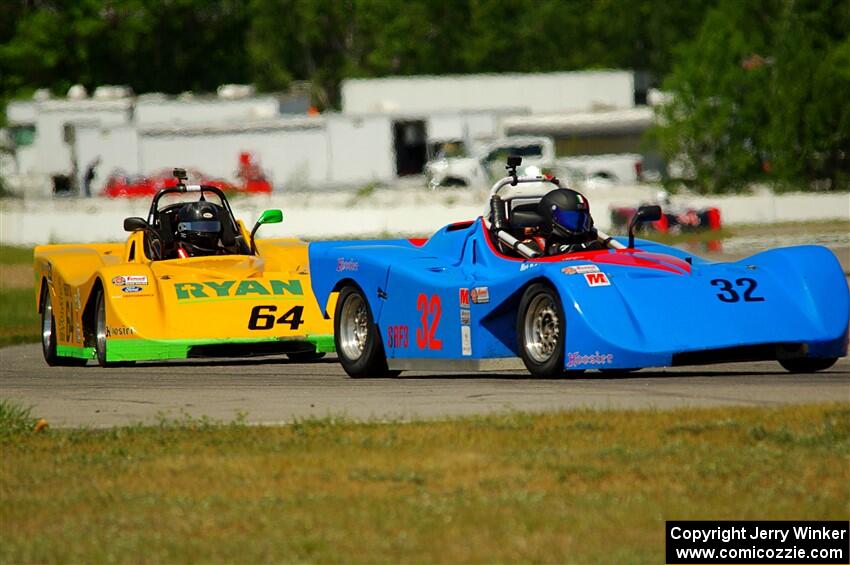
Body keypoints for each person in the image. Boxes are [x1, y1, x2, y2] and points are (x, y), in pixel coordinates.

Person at [520, 188, 607, 256]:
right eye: (570, 218)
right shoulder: (531, 247)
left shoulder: (590, 239)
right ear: (550, 218)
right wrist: (582, 247)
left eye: (582, 218)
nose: (578, 223)